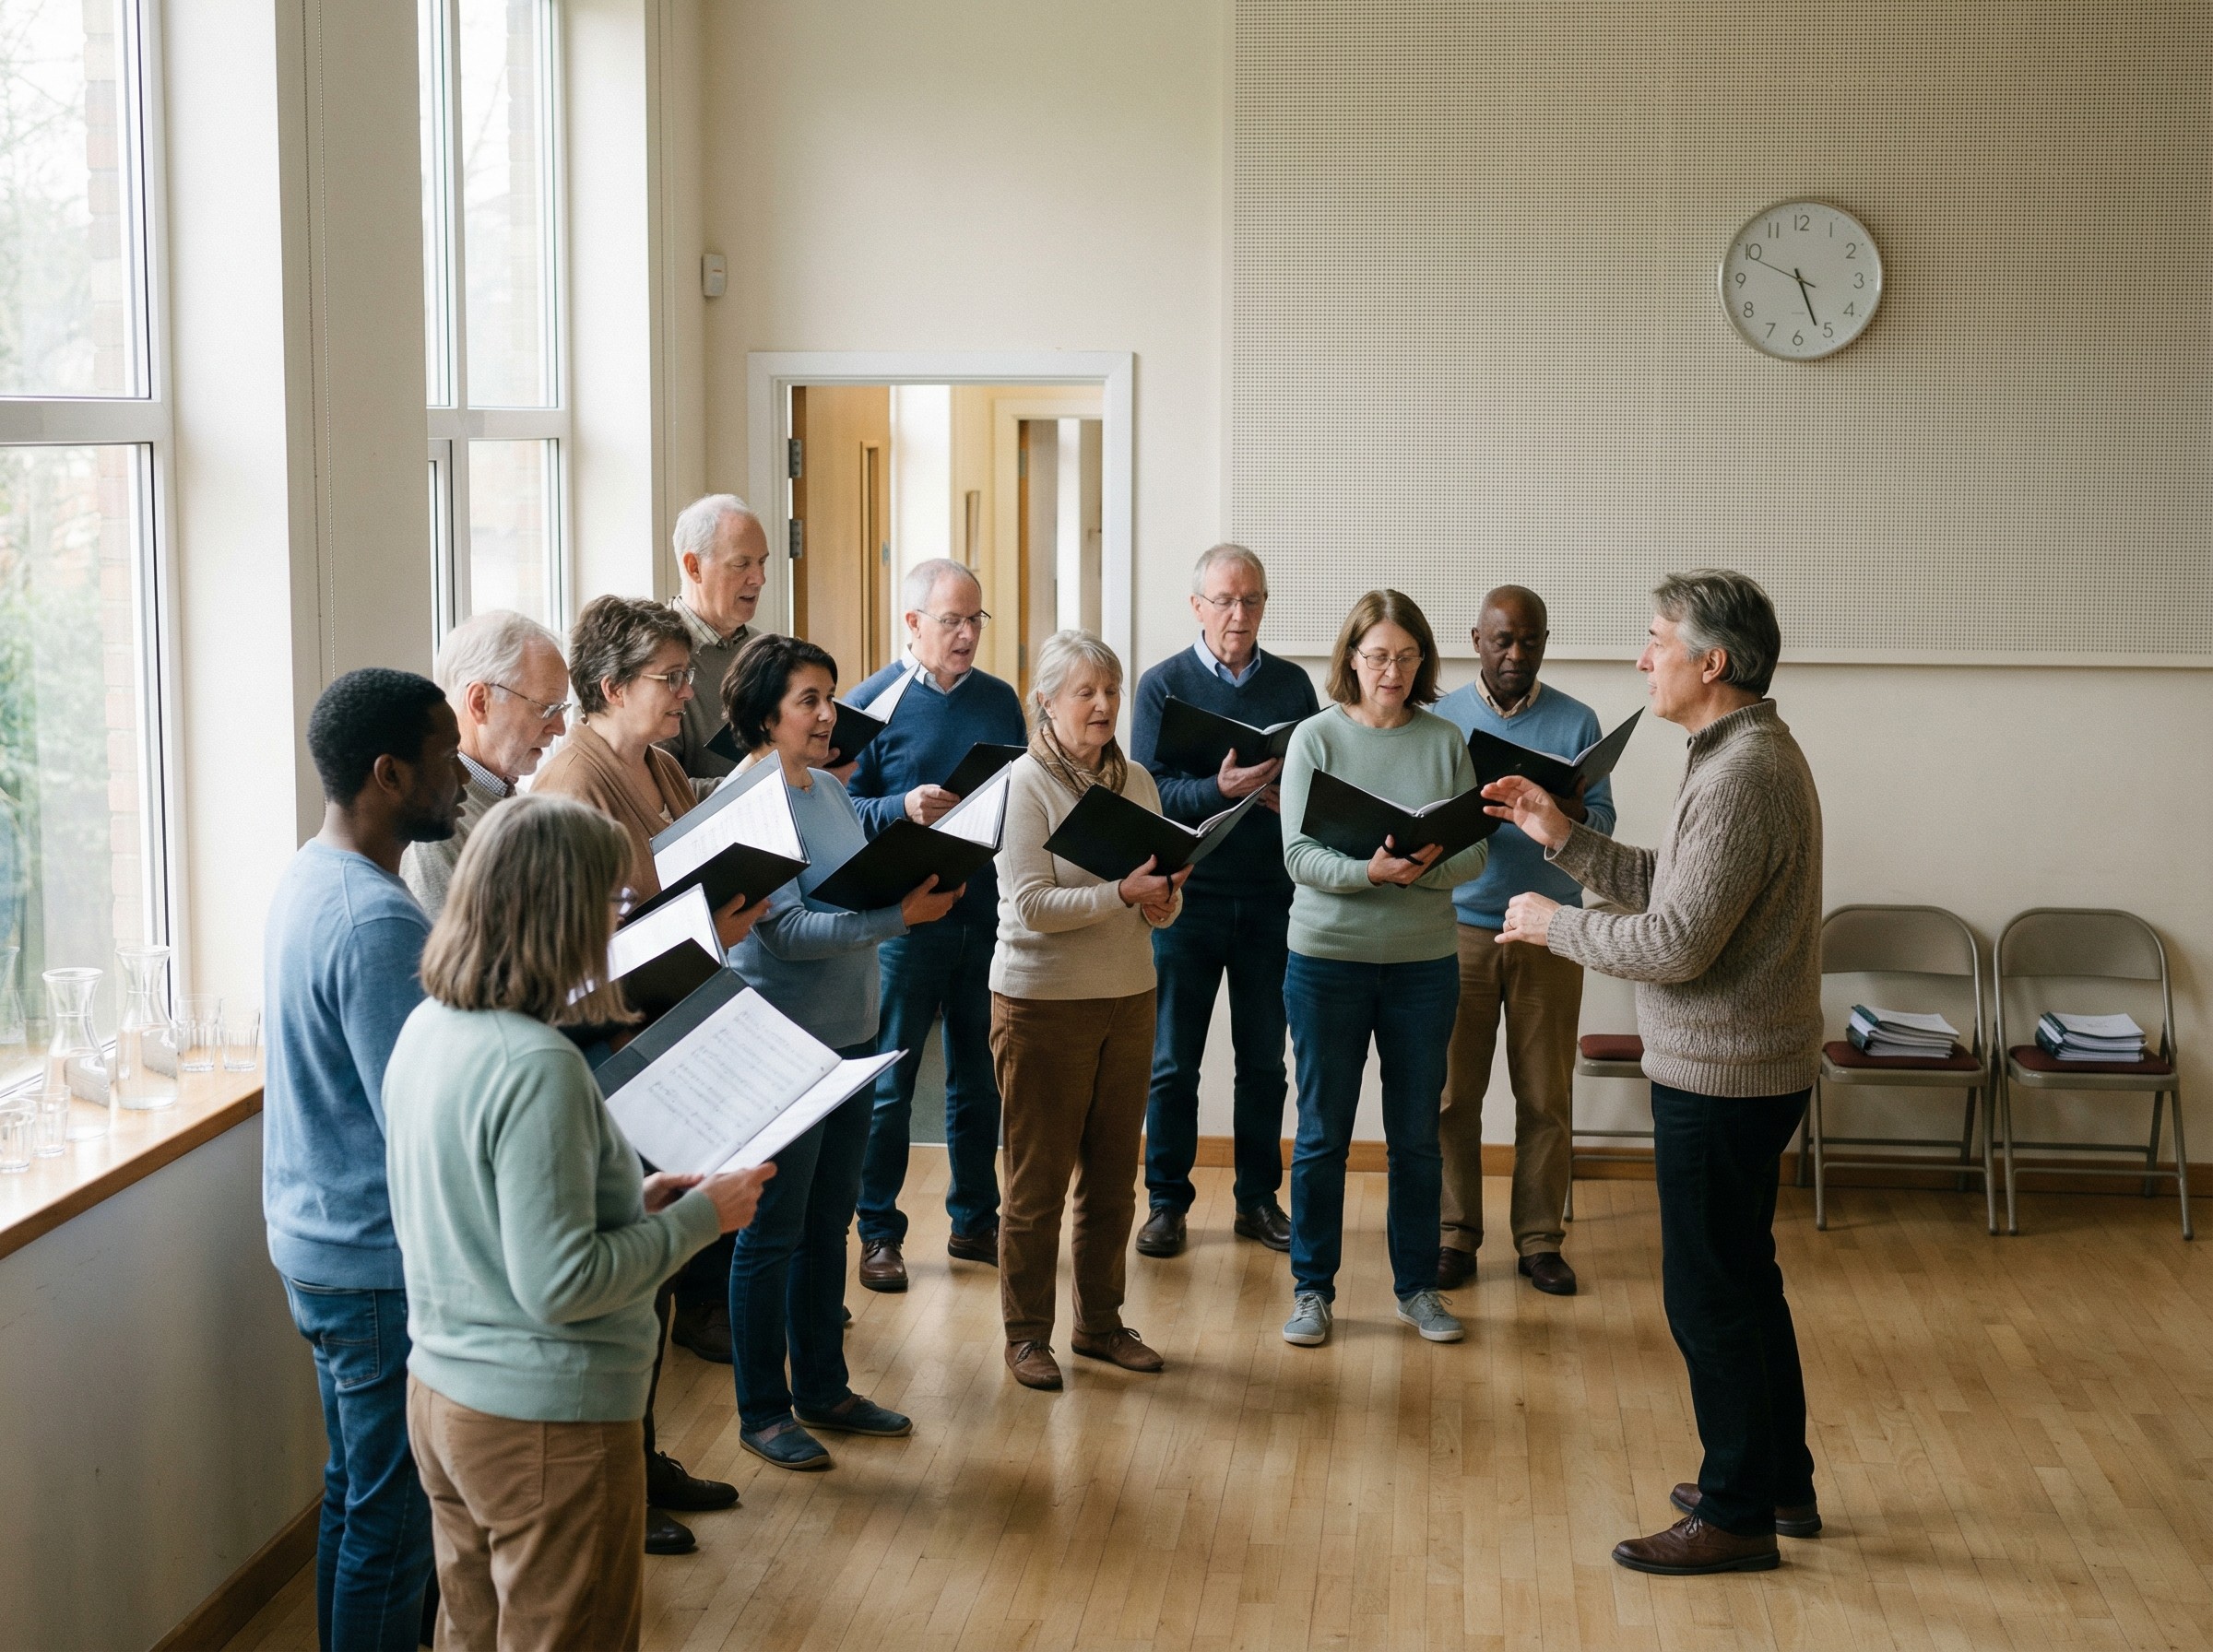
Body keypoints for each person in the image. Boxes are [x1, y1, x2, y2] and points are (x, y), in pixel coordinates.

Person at [1486, 569, 1822, 1577]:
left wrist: (1554, 926)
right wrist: (1561, 836)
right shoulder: (1736, 755)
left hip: (1723, 1075)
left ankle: (1736, 1514)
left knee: (1709, 1296)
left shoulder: (1742, 774)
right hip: (1742, 1066)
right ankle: (1778, 1482)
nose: (1642, 659)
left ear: (1711, 662)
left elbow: (1674, 942)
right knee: (1744, 1280)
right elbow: (1673, 889)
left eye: (1655, 640)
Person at [384, 792, 774, 1650]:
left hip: (445, 1397)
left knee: (470, 1634)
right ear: (561, 913)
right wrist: (700, 1219)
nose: (620, 922)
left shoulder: (430, 1029)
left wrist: (633, 1206)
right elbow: (561, 1285)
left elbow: (485, 1214)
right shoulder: (537, 1066)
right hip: (543, 1419)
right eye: (614, 901)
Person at [532, 593, 760, 1554]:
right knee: (624, 1284)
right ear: (610, 686)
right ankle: (613, 1478)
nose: (685, 694)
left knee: (656, 1277)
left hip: (664, 1032)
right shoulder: (567, 783)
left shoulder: (661, 763)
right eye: (668, 679)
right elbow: (565, 959)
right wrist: (707, 930)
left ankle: (645, 1453)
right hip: (603, 1050)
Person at [721, 632, 958, 1467]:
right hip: (780, 1046)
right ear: (765, 715)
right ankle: (762, 1411)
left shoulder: (824, 788)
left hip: (851, 1033)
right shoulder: (749, 800)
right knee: (772, 1232)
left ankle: (822, 1388)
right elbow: (785, 933)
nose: (830, 715)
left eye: (831, 697)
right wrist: (900, 917)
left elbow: (849, 889)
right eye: (809, 702)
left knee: (828, 1223)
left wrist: (913, 880)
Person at [263, 667, 462, 1651]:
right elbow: (414, 1118)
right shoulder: (377, 920)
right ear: (389, 774)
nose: (462, 775)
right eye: (446, 757)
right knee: (393, 1522)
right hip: (372, 1262)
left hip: (318, 1239)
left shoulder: (312, 873)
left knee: (355, 1491)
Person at [1275, 590, 1490, 1351]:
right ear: (1351, 659)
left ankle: (1417, 1289)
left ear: (1422, 661)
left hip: (1422, 966)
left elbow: (1476, 849)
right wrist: (1370, 872)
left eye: (1405, 657)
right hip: (1326, 961)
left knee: (1417, 1137)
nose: (1391, 671)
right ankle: (1312, 1291)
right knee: (1322, 1135)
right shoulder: (1314, 738)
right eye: (1376, 657)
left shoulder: (1445, 740)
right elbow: (1297, 855)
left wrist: (1420, 871)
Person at [993, 629, 1184, 1391]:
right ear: (1046, 700)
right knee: (1036, 1185)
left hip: (1129, 996)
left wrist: (1163, 900)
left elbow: (1158, 895)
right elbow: (1031, 906)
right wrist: (1122, 894)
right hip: (1041, 1004)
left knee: (1111, 1182)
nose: (1104, 704)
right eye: (1086, 692)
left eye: (1111, 690)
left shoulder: (1137, 780)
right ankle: (1025, 1336)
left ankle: (1100, 1325)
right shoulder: (1024, 784)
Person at [1130, 542, 1319, 1258]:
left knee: (1264, 1062)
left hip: (1272, 898)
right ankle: (1166, 1204)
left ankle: (1257, 1201)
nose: (1239, 614)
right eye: (1225, 600)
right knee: (1172, 1063)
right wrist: (1219, 789)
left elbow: (1314, 785)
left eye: (1252, 600)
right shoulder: (1161, 686)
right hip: (1187, 898)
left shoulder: (1293, 686)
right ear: (1197, 606)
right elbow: (1147, 791)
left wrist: (1286, 797)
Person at [843, 558, 1027, 1291]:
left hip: (983, 913)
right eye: (952, 620)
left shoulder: (999, 700)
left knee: (980, 1080)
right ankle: (878, 1232)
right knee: (892, 1083)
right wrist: (901, 808)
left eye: (976, 619)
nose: (967, 634)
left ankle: (975, 1222)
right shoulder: (870, 704)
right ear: (913, 623)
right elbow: (836, 809)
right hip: (905, 924)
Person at [1429, 585, 1616, 1297]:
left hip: (1551, 929)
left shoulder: (1577, 721)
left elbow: (1600, 826)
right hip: (1459, 927)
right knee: (1452, 1097)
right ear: (1476, 640)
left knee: (1545, 1096)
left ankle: (1540, 1242)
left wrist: (1550, 804)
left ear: (1544, 642)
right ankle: (1454, 1236)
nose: (1516, 653)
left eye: (1530, 641)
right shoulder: (1442, 718)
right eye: (1502, 640)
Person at [401, 608, 571, 918]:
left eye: (562, 709)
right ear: (480, 702)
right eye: (547, 709)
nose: (559, 727)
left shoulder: (512, 802)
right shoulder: (434, 830)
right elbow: (450, 950)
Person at [658, 493, 770, 785]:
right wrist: (773, 781)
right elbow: (659, 793)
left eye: (761, 562)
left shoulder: (765, 650)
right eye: (741, 564)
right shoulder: (654, 662)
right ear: (694, 567)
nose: (759, 579)